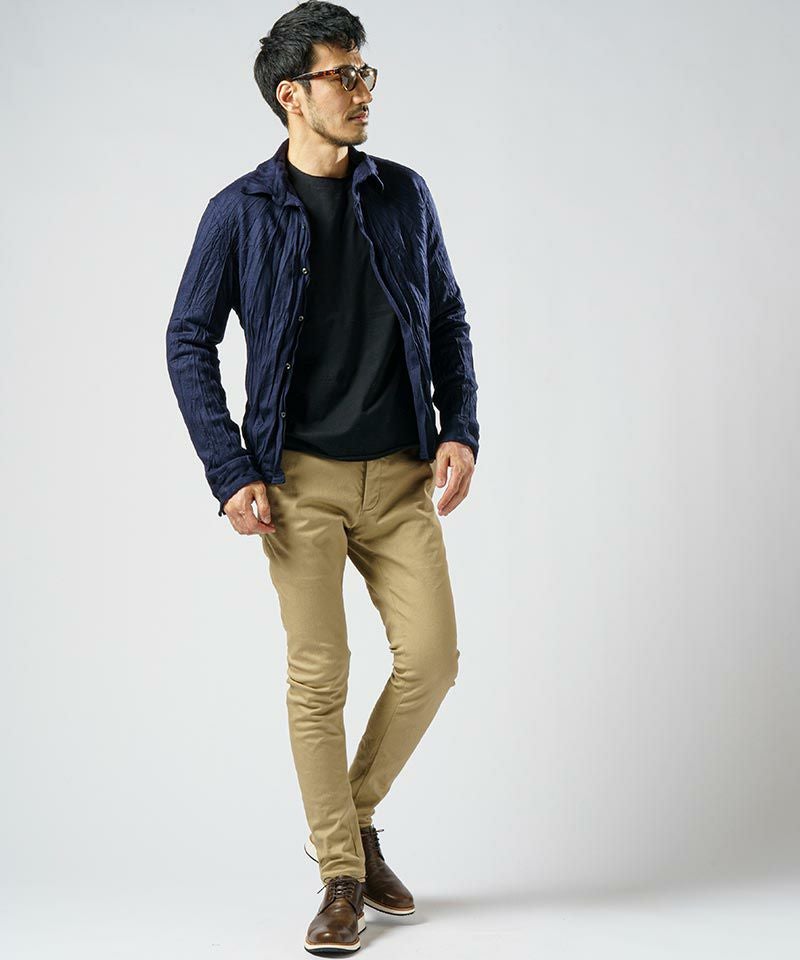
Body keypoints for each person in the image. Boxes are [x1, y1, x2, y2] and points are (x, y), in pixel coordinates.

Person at [165, 2, 480, 953]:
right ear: (290, 96)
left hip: (401, 476)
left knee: (433, 660)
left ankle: (351, 816)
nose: (361, 90)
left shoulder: (404, 194)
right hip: (295, 483)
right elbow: (188, 339)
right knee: (320, 676)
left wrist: (460, 428)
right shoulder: (240, 210)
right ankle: (342, 873)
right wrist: (230, 469)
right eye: (342, 76)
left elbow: (449, 316)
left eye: (363, 73)